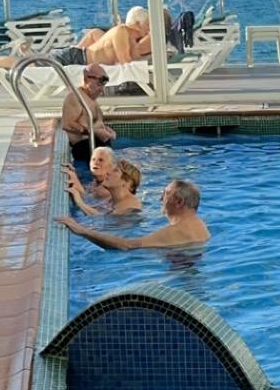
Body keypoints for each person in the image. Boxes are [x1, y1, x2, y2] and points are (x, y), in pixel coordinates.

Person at [57, 175, 209, 252]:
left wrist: (81, 230)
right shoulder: (200, 226)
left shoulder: (176, 231)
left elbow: (127, 246)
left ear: (179, 202)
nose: (160, 198)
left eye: (166, 194)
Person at [59, 63, 115, 166]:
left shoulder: (92, 100)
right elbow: (67, 124)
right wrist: (94, 133)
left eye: (103, 85)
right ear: (86, 79)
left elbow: (94, 124)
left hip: (97, 149)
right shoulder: (75, 97)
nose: (102, 89)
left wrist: (107, 130)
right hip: (85, 149)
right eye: (99, 83)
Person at [64, 149, 142, 216]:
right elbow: (97, 210)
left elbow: (104, 219)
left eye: (115, 171)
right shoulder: (112, 199)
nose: (108, 173)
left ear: (126, 181)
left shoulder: (129, 207)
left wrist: (80, 203)